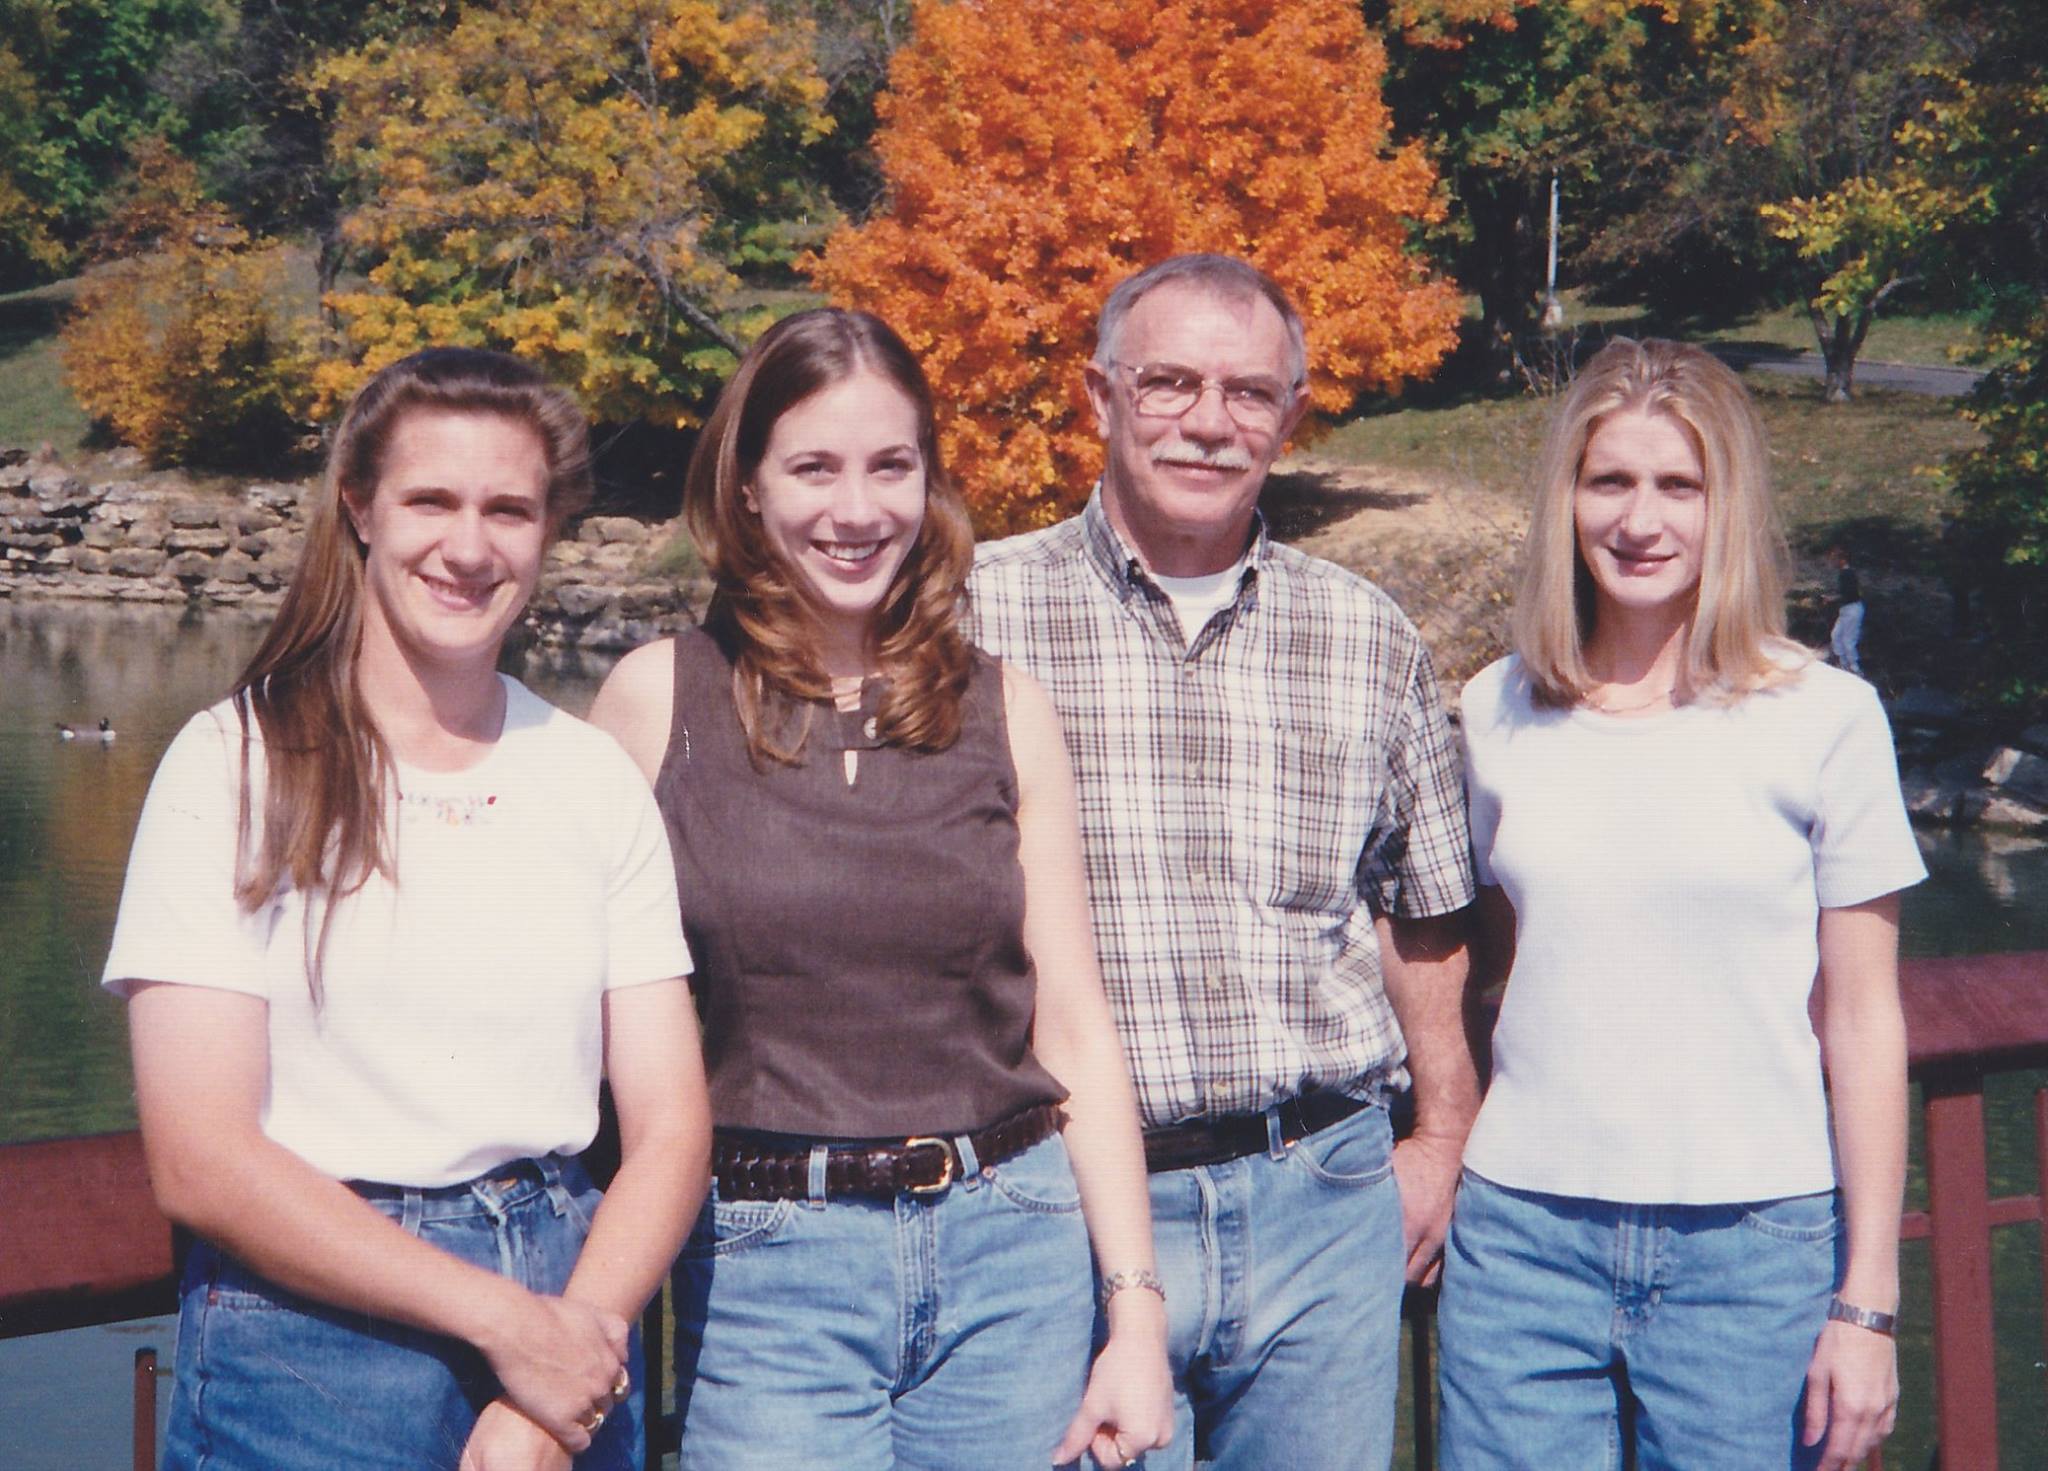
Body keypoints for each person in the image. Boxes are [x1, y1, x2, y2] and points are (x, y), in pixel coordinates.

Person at [103, 348, 710, 1471]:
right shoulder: (235, 765)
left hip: (572, 1310)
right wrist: (501, 1321)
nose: (469, 546)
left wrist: (560, 1364)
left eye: (509, 509)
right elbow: (200, 1156)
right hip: (311, 1341)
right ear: (360, 509)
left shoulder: (586, 775)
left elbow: (670, 1123)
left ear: (548, 531)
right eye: (431, 499)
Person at [589, 308, 1173, 1471]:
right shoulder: (656, 700)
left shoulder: (1006, 707)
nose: (856, 512)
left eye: (889, 466)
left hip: (1011, 1251)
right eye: (812, 466)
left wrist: (1134, 1312)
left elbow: (1072, 1028)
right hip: (764, 1266)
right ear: (747, 486)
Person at [968, 254, 1479, 1471]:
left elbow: (1425, 913)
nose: (1207, 421)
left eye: (1248, 393)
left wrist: (1438, 1142)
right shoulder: (969, 617)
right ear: (1097, 397)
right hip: (1066, 1215)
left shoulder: (1363, 634)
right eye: (1168, 383)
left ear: (1290, 419)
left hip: (1323, 1202)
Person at [1440, 338, 1924, 1471]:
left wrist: (1866, 1304)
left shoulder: (1826, 717)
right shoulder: (1492, 709)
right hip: (1519, 1240)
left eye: (1678, 485)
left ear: (1728, 505)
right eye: (1607, 481)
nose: (1638, 520)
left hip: (1749, 1253)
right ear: (1566, 498)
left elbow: (1861, 1020)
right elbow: (1470, 957)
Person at [1828, 544, 1866, 674]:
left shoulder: (1847, 574)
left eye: (1835, 559)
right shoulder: (1844, 574)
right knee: (1836, 635)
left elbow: (1849, 594)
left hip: (1852, 609)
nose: (1832, 562)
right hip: (1846, 610)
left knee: (1848, 640)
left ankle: (1854, 667)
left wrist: (1832, 599)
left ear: (1843, 560)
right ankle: (1843, 664)